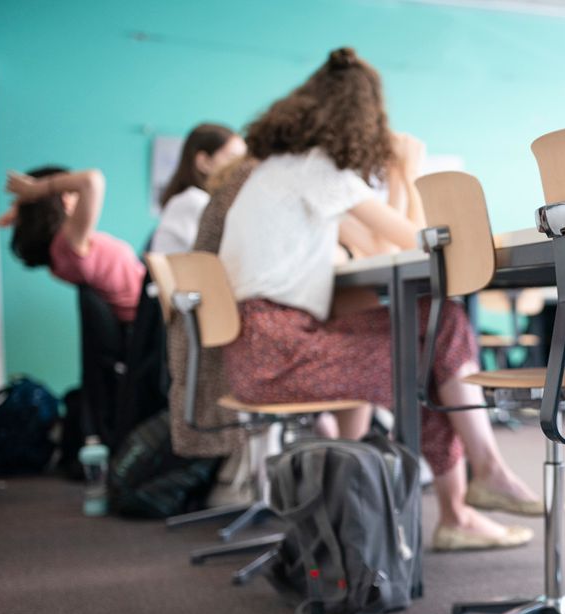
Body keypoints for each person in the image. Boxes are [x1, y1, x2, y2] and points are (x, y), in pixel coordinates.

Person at [218, 47, 540, 550]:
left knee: (438, 319)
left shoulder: (283, 171)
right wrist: (406, 171)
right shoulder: (318, 170)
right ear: (363, 122)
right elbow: (416, 239)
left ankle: (473, 488)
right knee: (423, 354)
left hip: (266, 343)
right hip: (276, 351)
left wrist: (394, 184)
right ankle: (470, 494)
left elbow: (381, 246)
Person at [0, 166, 144, 322]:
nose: (75, 196)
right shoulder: (68, 243)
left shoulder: (62, 250)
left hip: (153, 309)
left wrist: (26, 207)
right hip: (157, 315)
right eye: (69, 190)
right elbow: (91, 180)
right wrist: (35, 190)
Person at [151, 123, 247, 254]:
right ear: (204, 162)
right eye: (232, 158)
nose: (242, 167)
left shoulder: (189, 199)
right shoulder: (194, 201)